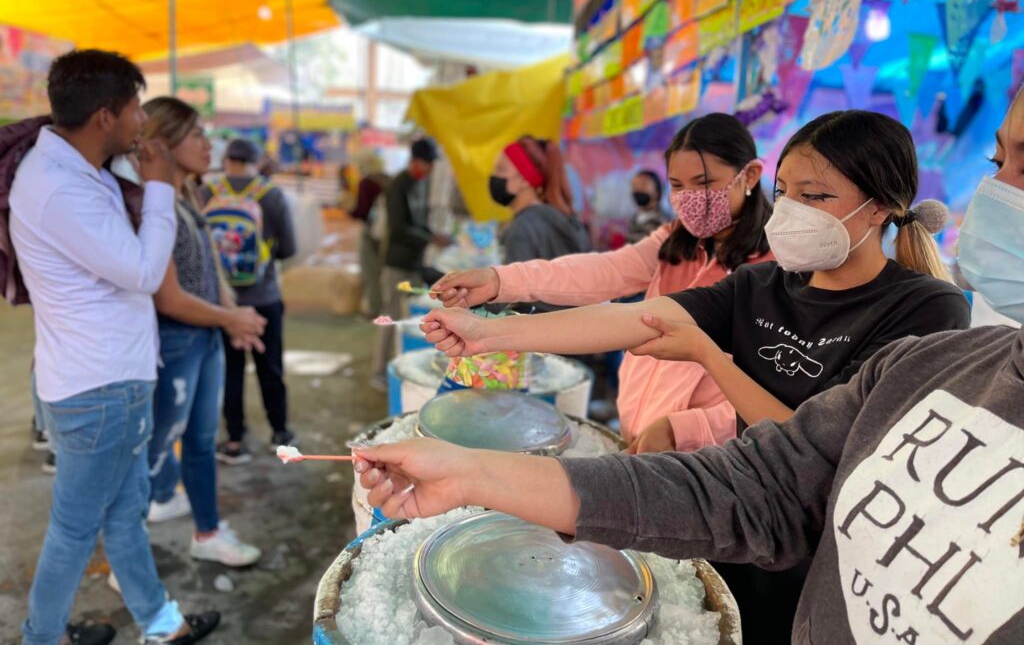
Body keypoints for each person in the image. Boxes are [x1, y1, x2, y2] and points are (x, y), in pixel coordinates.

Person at [357, 93, 1024, 645]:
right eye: (787, 193)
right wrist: (490, 332)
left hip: (817, 572)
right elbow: (633, 318)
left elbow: (822, 455)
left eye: (815, 195)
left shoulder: (925, 310)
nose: (791, 212)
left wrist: (709, 358)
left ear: (878, 205)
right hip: (727, 521)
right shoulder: (764, 286)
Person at [10, 50, 218, 645]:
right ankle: (41, 637)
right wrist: (160, 189)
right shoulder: (58, 189)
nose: (142, 124)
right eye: (135, 110)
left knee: (125, 512)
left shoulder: (81, 169)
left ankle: (160, 623)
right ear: (105, 115)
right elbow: (145, 272)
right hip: (98, 388)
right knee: (75, 529)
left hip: (106, 380)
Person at [431, 114, 773, 451]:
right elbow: (601, 272)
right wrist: (499, 281)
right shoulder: (674, 242)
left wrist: (684, 429)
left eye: (704, 183)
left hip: (705, 456)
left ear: (750, 175)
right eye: (678, 186)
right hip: (638, 433)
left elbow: (778, 401)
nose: (690, 198)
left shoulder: (771, 272)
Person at [134, 99, 263, 571]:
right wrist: (229, 319)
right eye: (196, 136)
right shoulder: (153, 205)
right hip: (176, 341)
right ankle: (130, 557)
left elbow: (210, 269)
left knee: (202, 441)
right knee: (155, 445)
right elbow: (168, 298)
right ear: (164, 143)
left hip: (204, 338)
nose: (209, 146)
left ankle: (207, 532)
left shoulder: (188, 193)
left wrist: (234, 314)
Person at [201, 137, 298, 464]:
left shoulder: (207, 192)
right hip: (264, 296)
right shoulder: (270, 195)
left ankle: (234, 440)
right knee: (270, 367)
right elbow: (289, 248)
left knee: (230, 371)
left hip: (221, 301)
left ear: (226, 160)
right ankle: (280, 432)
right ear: (257, 161)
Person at [370, 138, 450, 386]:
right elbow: (399, 228)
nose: (431, 169)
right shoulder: (398, 186)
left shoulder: (418, 184)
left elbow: (417, 223)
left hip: (413, 262)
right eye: (428, 163)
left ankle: (401, 364)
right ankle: (378, 371)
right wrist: (431, 238)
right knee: (390, 317)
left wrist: (432, 235)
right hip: (397, 264)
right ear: (415, 161)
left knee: (408, 320)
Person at [489, 135, 590, 264]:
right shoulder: (565, 218)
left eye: (501, 170)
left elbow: (518, 277)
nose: (494, 176)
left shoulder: (522, 230)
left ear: (524, 180)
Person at [350, 151, 390, 317]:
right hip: (388, 235)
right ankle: (387, 307)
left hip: (371, 234)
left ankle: (374, 309)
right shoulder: (388, 179)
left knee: (371, 271)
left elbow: (362, 211)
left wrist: (348, 209)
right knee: (384, 272)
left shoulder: (366, 183)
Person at [626, 168, 671, 244]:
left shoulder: (664, 222)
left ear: (656, 191)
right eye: (634, 185)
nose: (638, 189)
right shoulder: (634, 218)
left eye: (643, 184)